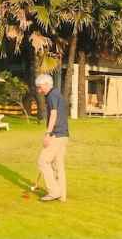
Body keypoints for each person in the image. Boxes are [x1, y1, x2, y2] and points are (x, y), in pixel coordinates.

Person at [35, 74, 69, 202]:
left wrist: (48, 134)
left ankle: (54, 192)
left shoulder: (51, 95)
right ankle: (62, 195)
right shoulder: (57, 93)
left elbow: (53, 114)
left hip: (56, 134)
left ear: (46, 84)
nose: (39, 90)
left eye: (40, 87)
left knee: (43, 161)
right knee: (57, 165)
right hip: (64, 135)